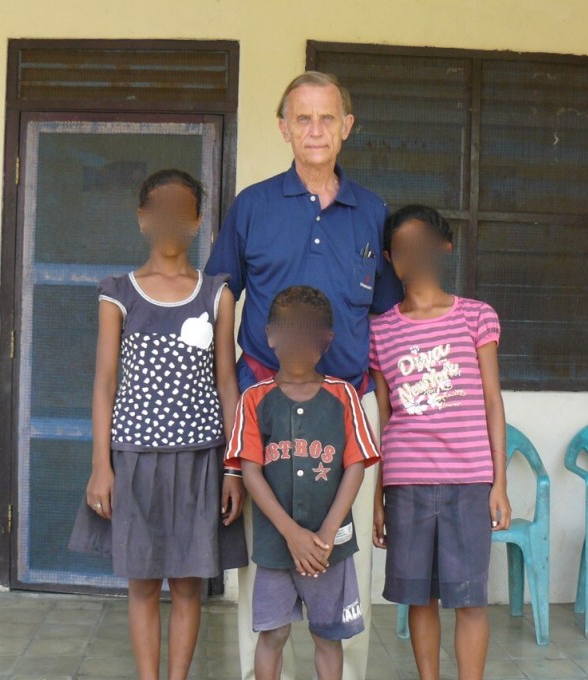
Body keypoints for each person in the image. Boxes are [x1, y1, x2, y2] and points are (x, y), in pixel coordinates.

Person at [206, 70, 402, 680]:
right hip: (261, 401)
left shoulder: (371, 212)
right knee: (265, 568)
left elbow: (387, 323)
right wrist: (234, 416)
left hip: (346, 405)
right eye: (303, 118)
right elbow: (221, 306)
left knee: (341, 565)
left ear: (346, 127)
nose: (315, 130)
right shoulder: (254, 206)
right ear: (284, 127)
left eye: (327, 118)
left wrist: (389, 439)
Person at [68, 169, 247, 680]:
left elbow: (227, 383)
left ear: (195, 222)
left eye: (182, 210)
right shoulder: (118, 293)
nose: (170, 219)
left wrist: (233, 468)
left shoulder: (216, 294)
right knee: (143, 582)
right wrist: (100, 465)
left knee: (189, 583)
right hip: (134, 459)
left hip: (200, 459)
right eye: (160, 209)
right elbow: (105, 383)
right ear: (144, 219)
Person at [369, 205, 511, 680]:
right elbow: (385, 418)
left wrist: (499, 484)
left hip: (469, 482)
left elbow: (493, 402)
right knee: (419, 597)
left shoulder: (476, 317)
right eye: (403, 249)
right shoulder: (381, 330)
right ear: (391, 258)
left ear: (444, 247)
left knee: (469, 598)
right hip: (406, 485)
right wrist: (378, 497)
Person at [225, 286, 380, 680]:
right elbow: (251, 471)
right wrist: (291, 533)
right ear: (271, 336)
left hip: (332, 549)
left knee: (328, 637)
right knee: (273, 634)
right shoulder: (254, 399)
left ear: (325, 339)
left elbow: (356, 465)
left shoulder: (344, 396)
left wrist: (327, 532)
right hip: (276, 548)